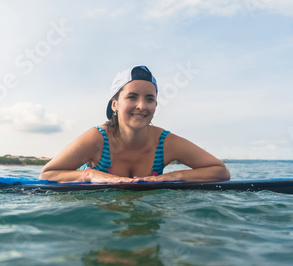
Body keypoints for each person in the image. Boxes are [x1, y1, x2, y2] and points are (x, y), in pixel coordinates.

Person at [40, 65, 230, 183]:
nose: (141, 106)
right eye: (132, 97)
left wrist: (173, 177)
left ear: (155, 105)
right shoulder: (97, 138)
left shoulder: (165, 142)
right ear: (114, 104)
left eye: (149, 99)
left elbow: (220, 171)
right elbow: (48, 174)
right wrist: (90, 176)